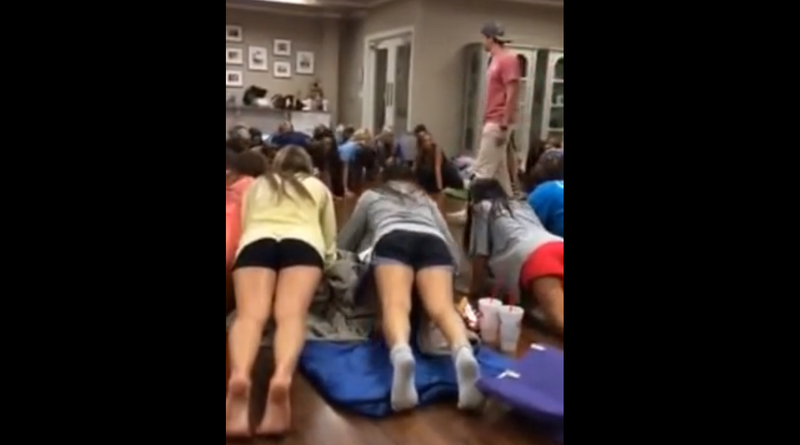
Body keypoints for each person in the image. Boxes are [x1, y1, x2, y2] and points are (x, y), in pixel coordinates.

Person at [337, 163, 484, 413]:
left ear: (385, 179)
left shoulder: (373, 195)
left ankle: (402, 354)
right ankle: (462, 353)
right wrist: (458, 279)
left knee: (396, 305)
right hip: (433, 243)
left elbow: (346, 241)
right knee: (442, 308)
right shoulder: (424, 198)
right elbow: (449, 241)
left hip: (392, 239)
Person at [226, 145, 337, 438]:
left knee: (249, 316)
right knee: (291, 315)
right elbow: (329, 243)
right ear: (307, 165)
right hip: (302, 243)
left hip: (257, 243)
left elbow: (246, 224)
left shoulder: (259, 185)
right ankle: (282, 378)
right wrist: (326, 267)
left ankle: (239, 377)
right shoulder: (317, 186)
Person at [465, 179, 564, 335]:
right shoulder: (522, 204)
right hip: (557, 244)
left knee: (560, 321)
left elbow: (480, 257)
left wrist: (472, 295)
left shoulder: (482, 208)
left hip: (538, 257)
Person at [472, 22, 520, 197]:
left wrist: (504, 124)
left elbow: (512, 93)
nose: (483, 42)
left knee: (482, 170)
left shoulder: (508, 60)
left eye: (484, 38)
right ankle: (512, 208)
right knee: (500, 174)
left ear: (491, 38)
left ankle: (473, 209)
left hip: (498, 122)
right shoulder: (495, 61)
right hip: (492, 119)